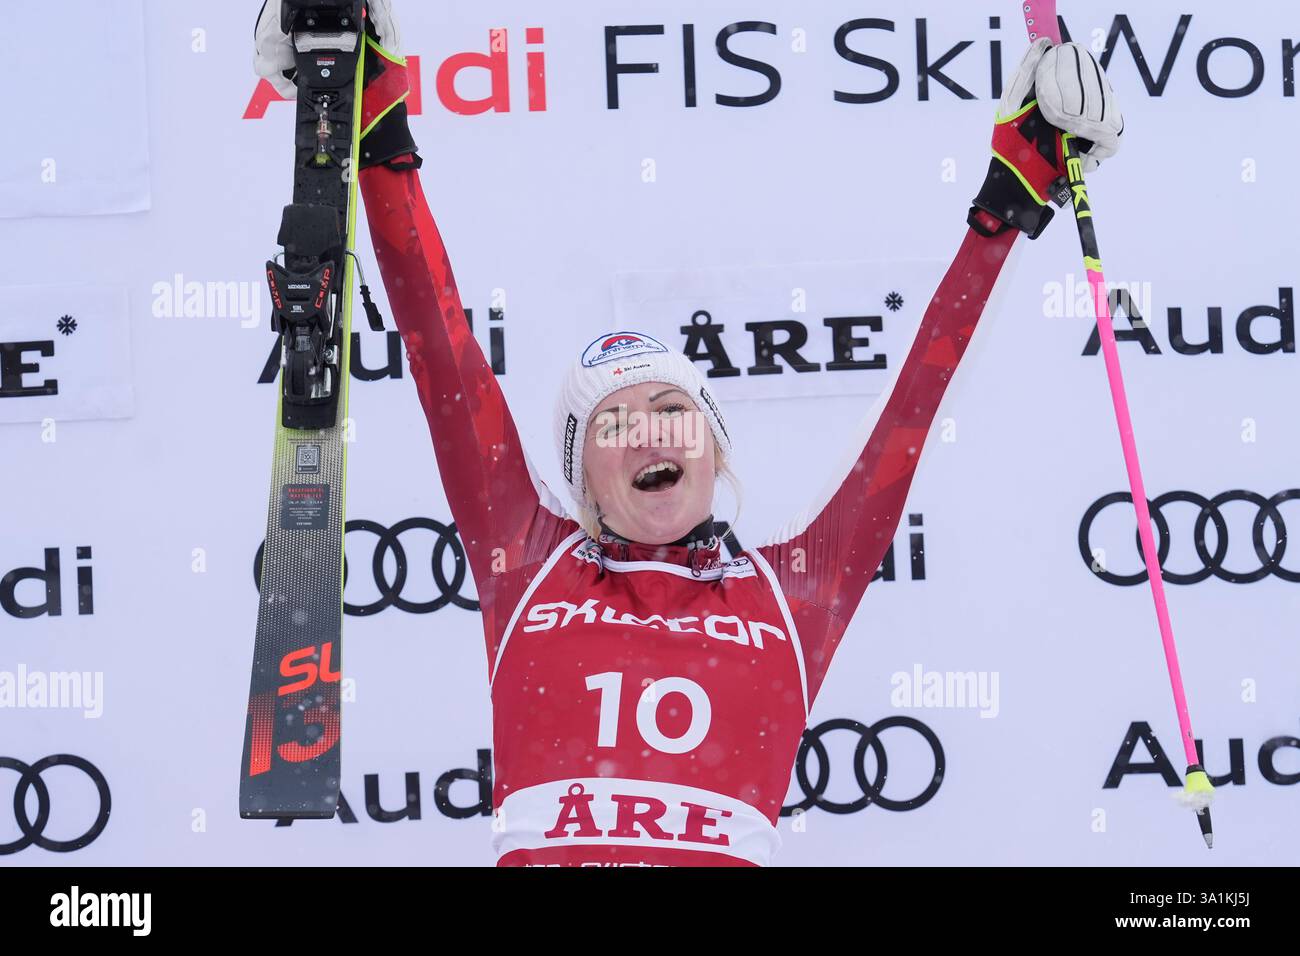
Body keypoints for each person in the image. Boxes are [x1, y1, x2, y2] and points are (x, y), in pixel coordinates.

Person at [257, 2, 1123, 866]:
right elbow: (440, 344)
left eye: (672, 411)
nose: (648, 435)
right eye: (615, 423)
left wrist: (1010, 197)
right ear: (581, 482)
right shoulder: (525, 559)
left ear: (714, 448)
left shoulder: (795, 595)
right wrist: (370, 117)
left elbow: (917, 398)